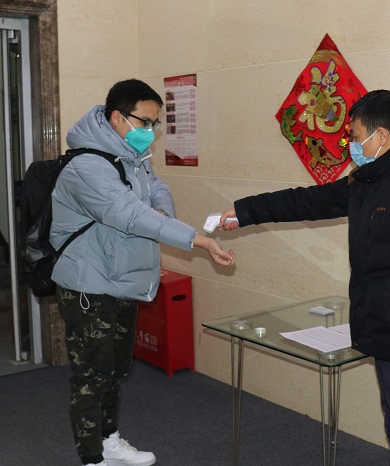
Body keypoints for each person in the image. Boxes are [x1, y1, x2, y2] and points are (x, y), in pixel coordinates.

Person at [219, 90, 390, 465]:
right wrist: (246, 211)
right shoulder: (373, 178)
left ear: (381, 136)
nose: (351, 145)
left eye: (356, 136)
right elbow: (308, 201)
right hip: (387, 330)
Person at [50, 79, 235, 466]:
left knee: (116, 369)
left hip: (122, 279)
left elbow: (156, 188)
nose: (150, 131)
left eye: (155, 124)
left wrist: (162, 212)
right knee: (93, 375)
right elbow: (131, 214)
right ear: (118, 117)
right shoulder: (86, 166)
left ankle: (109, 440)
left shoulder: (131, 157)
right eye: (145, 122)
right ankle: (92, 458)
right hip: (89, 285)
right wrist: (198, 240)